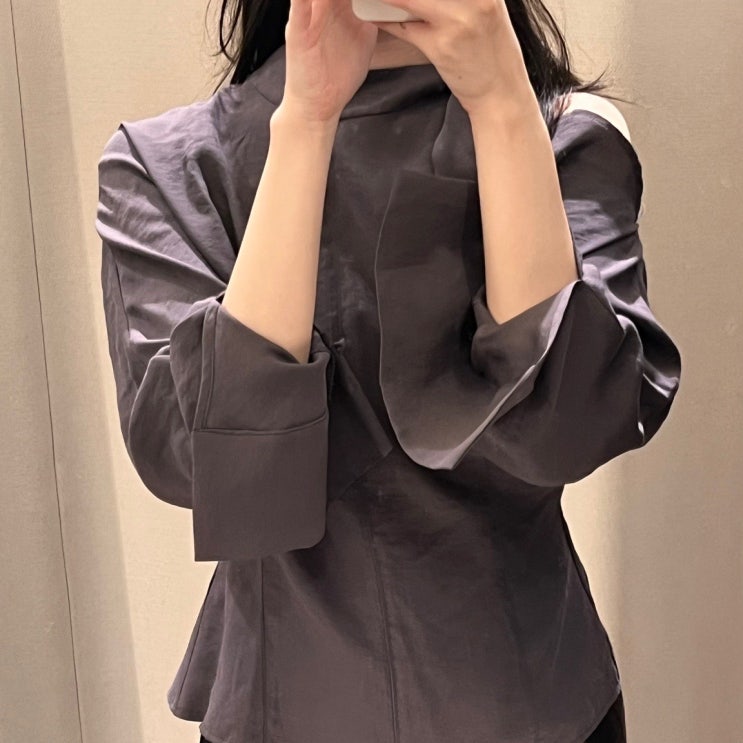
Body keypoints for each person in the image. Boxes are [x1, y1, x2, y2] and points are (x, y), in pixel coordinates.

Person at [95, 0, 682, 739]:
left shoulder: (563, 133)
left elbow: (566, 431)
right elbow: (212, 471)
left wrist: (501, 105)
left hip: (530, 700)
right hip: (290, 707)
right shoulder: (165, 166)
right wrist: (307, 121)